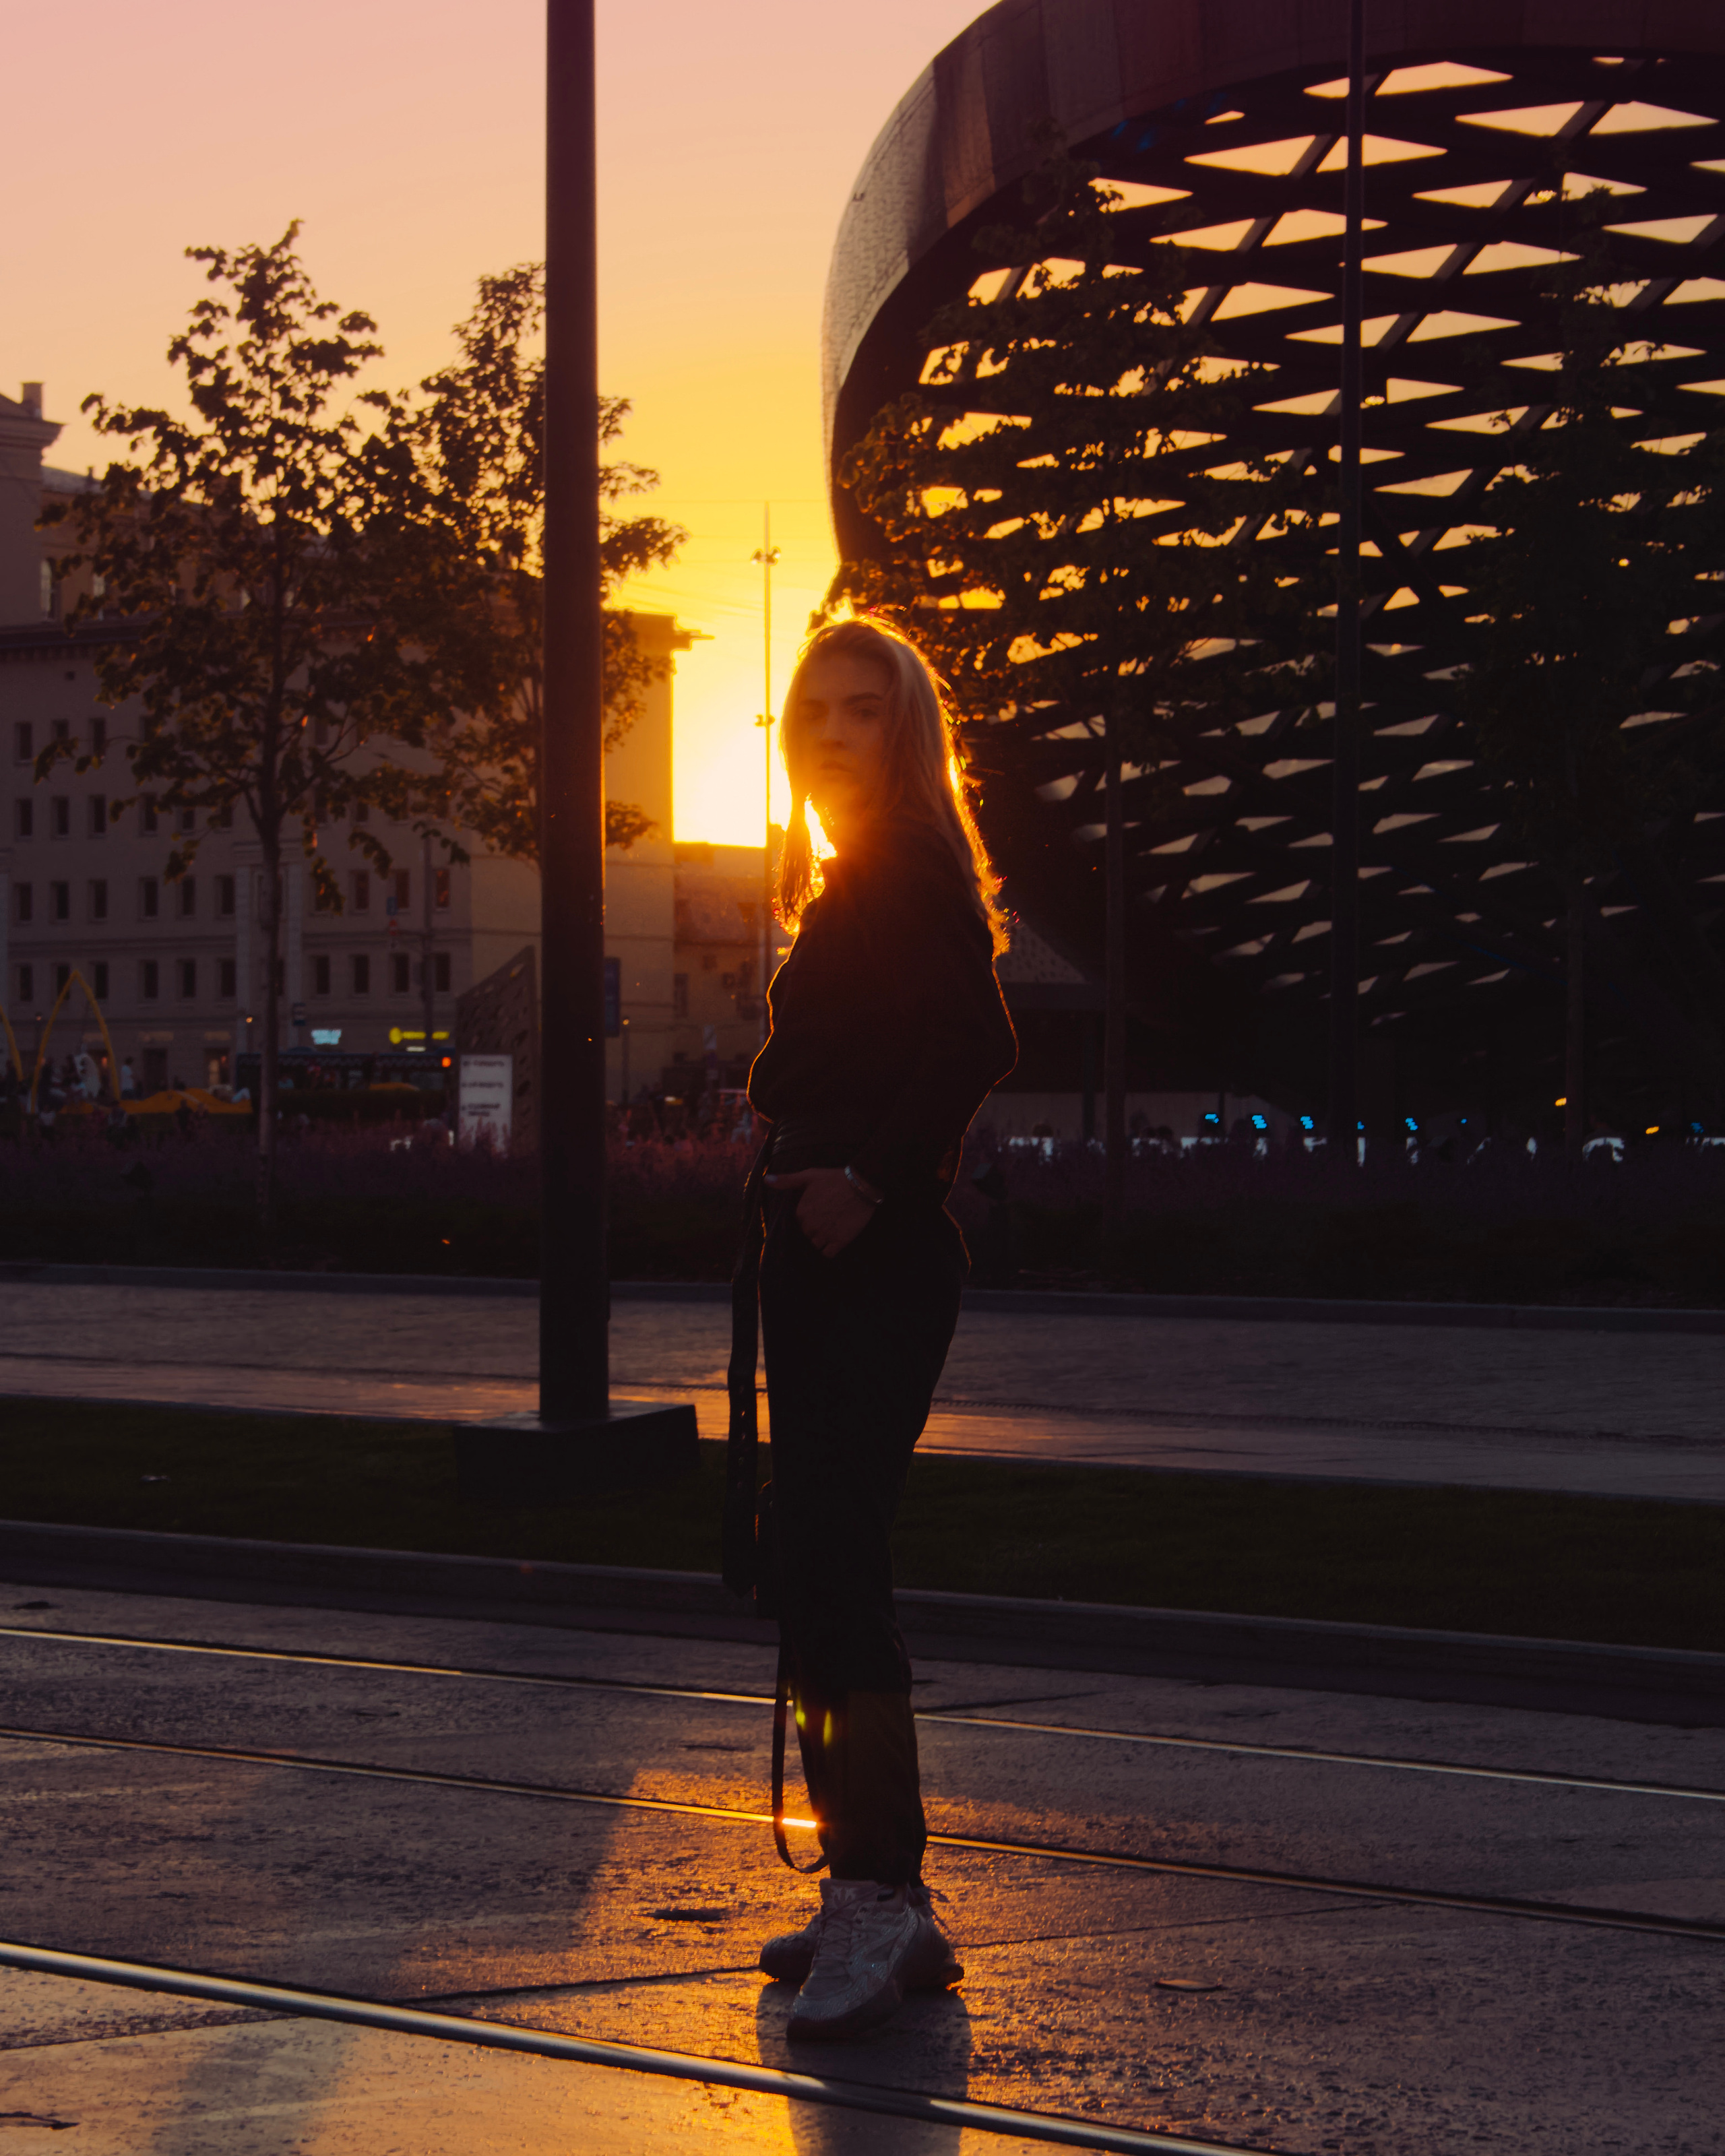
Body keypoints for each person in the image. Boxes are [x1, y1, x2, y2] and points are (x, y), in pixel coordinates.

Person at [732, 614, 1017, 2043]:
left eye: (863, 710)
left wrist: (868, 1178)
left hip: (872, 1253)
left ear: (905, 731)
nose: (833, 733)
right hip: (825, 1249)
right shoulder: (854, 873)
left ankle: (878, 1892)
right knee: (811, 1553)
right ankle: (875, 1886)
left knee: (835, 1556)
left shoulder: (904, 863)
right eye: (816, 712)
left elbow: (973, 1040)